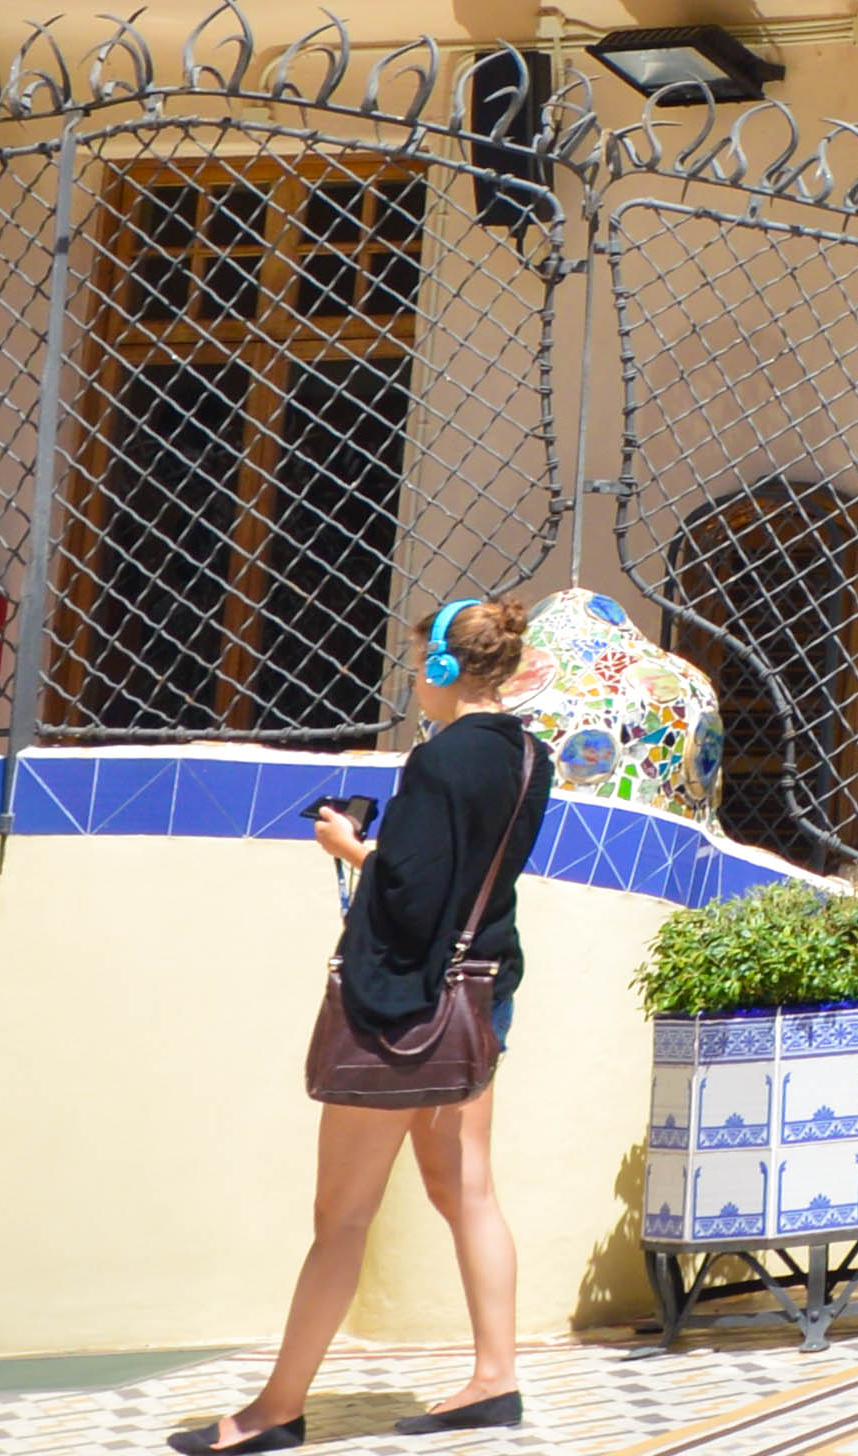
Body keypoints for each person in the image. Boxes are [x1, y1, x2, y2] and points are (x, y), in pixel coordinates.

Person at [175, 594, 553, 1456]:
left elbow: (412, 893)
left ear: (446, 669)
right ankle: (496, 1377)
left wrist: (350, 848)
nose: (416, 681)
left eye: (422, 665)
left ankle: (275, 1409)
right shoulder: (532, 757)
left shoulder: (441, 762)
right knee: (468, 1189)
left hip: (408, 1006)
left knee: (342, 1216)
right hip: (480, 995)